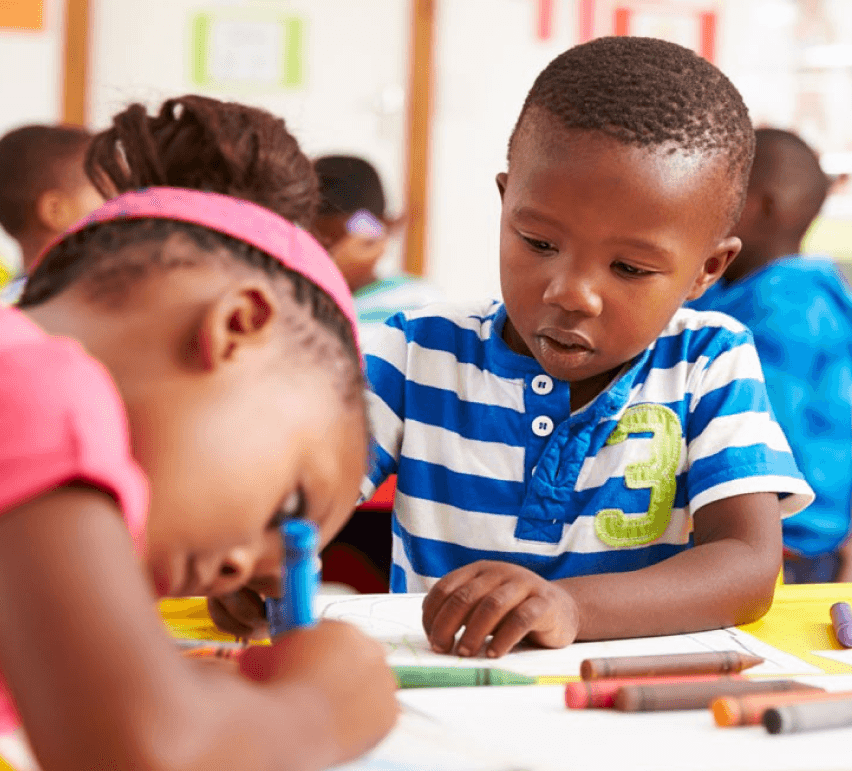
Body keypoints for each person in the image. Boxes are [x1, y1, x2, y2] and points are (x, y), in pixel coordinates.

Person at [212, 36, 813, 658]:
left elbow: (746, 564)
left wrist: (571, 607)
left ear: (706, 271)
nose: (571, 292)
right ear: (505, 205)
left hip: (630, 708)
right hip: (444, 701)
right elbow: (301, 495)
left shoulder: (708, 362)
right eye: (538, 242)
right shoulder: (417, 351)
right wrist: (260, 552)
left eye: (629, 268)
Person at [0, 95, 397, 770]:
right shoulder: (34, 392)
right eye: (287, 508)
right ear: (238, 328)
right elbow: (146, 754)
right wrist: (321, 709)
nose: (243, 570)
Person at [690, 128, 852, 584]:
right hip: (760, 528)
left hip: (786, 540)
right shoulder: (742, 295)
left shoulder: (788, 311)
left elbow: (754, 435)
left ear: (764, 207)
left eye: (717, 192)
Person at [312, 154, 443, 325]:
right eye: (316, 238)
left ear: (383, 226)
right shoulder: (297, 299)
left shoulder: (419, 300)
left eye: (335, 239)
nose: (328, 249)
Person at [0, 124, 104, 302]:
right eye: (109, 192)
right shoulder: (73, 307)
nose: (127, 204)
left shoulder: (5, 306)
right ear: (56, 210)